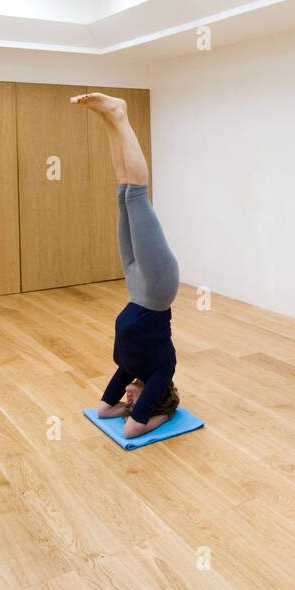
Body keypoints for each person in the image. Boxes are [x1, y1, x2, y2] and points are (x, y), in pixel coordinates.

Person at [72, 93, 181, 438]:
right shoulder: (162, 369)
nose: (129, 400)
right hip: (159, 287)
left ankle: (110, 119)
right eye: (137, 400)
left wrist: (126, 402)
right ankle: (119, 115)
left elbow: (106, 410)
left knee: (122, 193)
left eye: (130, 401)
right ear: (154, 396)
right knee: (137, 195)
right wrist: (162, 416)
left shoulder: (128, 368)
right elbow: (133, 430)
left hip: (136, 287)